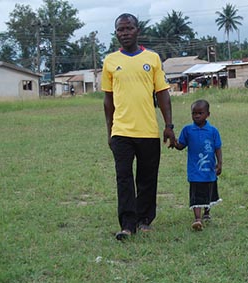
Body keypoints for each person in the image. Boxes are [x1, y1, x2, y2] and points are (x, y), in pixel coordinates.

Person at [102, 13, 176, 241]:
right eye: (120, 30)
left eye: (128, 28)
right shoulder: (110, 61)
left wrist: (169, 125)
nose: (124, 33)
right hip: (121, 132)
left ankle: (144, 220)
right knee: (123, 178)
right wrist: (110, 132)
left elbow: (162, 94)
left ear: (137, 30)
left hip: (147, 130)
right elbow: (108, 101)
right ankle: (127, 225)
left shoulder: (152, 58)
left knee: (146, 178)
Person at [174, 99, 222, 231]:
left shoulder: (213, 131)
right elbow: (181, 145)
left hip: (209, 170)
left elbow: (217, 148)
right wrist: (174, 142)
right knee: (196, 194)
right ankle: (197, 219)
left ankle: (206, 213)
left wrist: (219, 164)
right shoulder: (188, 130)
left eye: (200, 113)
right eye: (194, 113)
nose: (197, 116)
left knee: (208, 192)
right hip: (195, 170)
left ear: (208, 114)